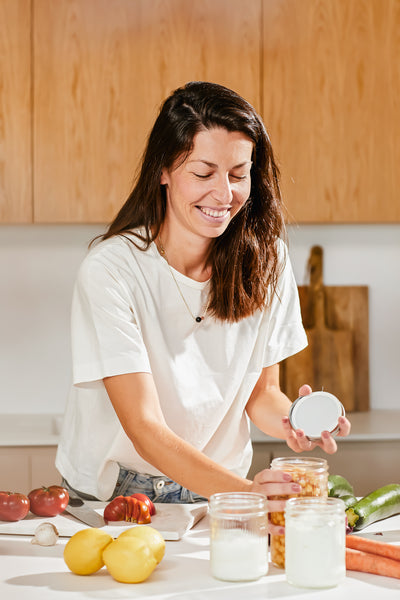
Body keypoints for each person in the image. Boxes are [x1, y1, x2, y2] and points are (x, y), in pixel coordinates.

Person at [56, 81, 350, 532]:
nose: (224, 193)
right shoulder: (112, 270)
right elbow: (144, 426)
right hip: (114, 501)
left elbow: (260, 394)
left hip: (216, 494)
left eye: (237, 174)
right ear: (164, 171)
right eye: (203, 172)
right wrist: (249, 493)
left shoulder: (267, 259)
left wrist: (294, 419)